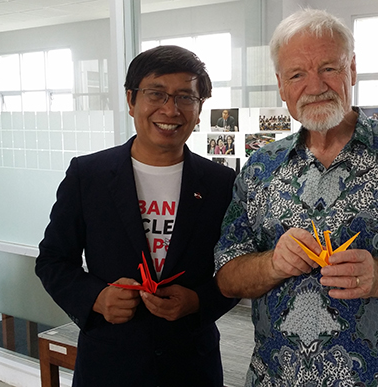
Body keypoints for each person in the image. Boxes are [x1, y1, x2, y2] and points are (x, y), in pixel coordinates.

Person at [214, 9, 378, 386]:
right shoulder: (259, 166)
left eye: (329, 68)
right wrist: (273, 264)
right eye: (297, 74)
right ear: (281, 85)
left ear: (352, 69)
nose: (315, 85)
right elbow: (226, 276)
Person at [36, 45, 238, 387]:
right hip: (109, 365)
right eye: (156, 93)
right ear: (131, 100)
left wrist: (197, 302)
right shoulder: (89, 175)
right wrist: (96, 299)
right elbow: (53, 260)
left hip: (191, 367)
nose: (170, 109)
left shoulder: (222, 184)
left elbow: (237, 268)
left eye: (185, 97)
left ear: (200, 109)